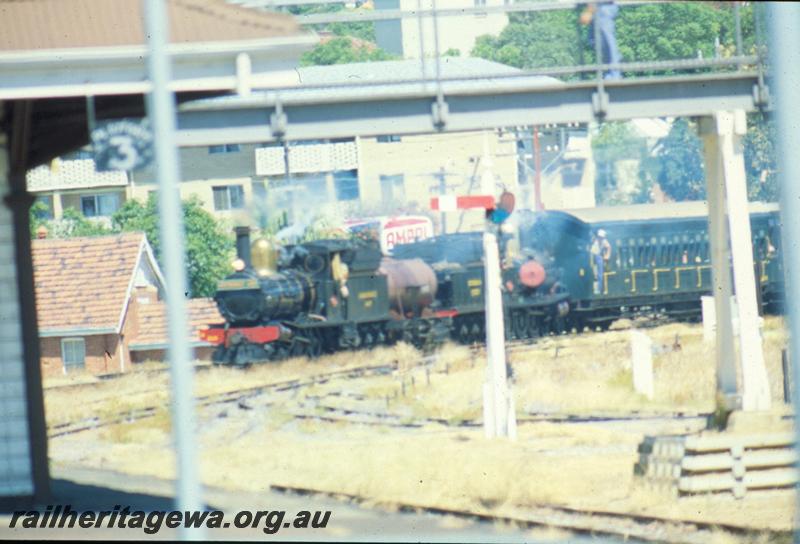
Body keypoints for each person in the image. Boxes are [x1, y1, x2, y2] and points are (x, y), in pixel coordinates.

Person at [580, 1, 622, 80]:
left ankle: (613, 75)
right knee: (594, 40)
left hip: (602, 7)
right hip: (598, 8)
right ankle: (610, 74)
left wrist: (590, 8)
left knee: (606, 40)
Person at [590, 229, 612, 294]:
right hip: (593, 256)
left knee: (600, 274)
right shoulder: (595, 240)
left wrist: (607, 256)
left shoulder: (604, 241)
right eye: (599, 236)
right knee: (594, 274)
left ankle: (600, 289)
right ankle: (596, 289)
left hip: (598, 257)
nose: (600, 238)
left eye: (601, 237)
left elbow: (609, 247)